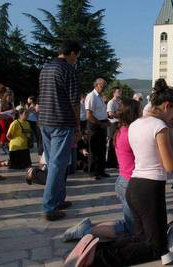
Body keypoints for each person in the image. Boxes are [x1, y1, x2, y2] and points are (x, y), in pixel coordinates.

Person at [66, 81, 173, 267]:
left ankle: (97, 249)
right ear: (167, 106)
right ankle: (97, 259)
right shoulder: (160, 127)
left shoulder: (135, 125)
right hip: (150, 188)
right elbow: (170, 166)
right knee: (156, 247)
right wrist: (171, 133)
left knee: (140, 237)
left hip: (134, 185)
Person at [62, 99, 141, 242]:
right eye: (139, 112)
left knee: (133, 224)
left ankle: (89, 226)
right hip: (129, 183)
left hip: (124, 180)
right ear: (133, 114)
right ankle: (87, 230)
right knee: (132, 231)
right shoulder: (130, 133)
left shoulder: (121, 130)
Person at [38, 40, 81, 221]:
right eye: (77, 56)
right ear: (72, 53)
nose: (76, 59)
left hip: (45, 122)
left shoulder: (45, 69)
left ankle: (58, 199)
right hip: (61, 122)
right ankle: (49, 207)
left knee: (55, 163)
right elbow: (74, 102)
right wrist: (77, 125)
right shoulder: (69, 70)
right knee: (57, 164)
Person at [85, 78, 109, 180]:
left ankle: (101, 170)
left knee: (102, 149)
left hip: (102, 124)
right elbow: (89, 115)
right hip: (94, 125)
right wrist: (100, 124)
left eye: (104, 85)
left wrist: (106, 120)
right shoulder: (91, 96)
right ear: (96, 85)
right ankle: (93, 172)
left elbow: (100, 112)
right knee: (94, 149)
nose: (103, 87)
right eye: (102, 85)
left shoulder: (100, 97)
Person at [106, 87, 122, 168]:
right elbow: (110, 114)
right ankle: (110, 162)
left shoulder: (120, 102)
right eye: (118, 91)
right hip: (113, 125)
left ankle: (116, 161)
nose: (120, 92)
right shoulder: (111, 102)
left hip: (119, 124)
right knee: (112, 143)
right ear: (114, 93)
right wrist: (119, 114)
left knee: (118, 144)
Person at [0, 88, 15, 155]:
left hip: (10, 119)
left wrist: (13, 113)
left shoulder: (11, 103)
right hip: (2, 120)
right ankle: (1, 147)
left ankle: (6, 147)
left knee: (9, 133)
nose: (10, 99)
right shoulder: (0, 102)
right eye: (9, 97)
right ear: (5, 96)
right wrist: (9, 112)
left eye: (11, 97)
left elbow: (13, 112)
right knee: (3, 133)